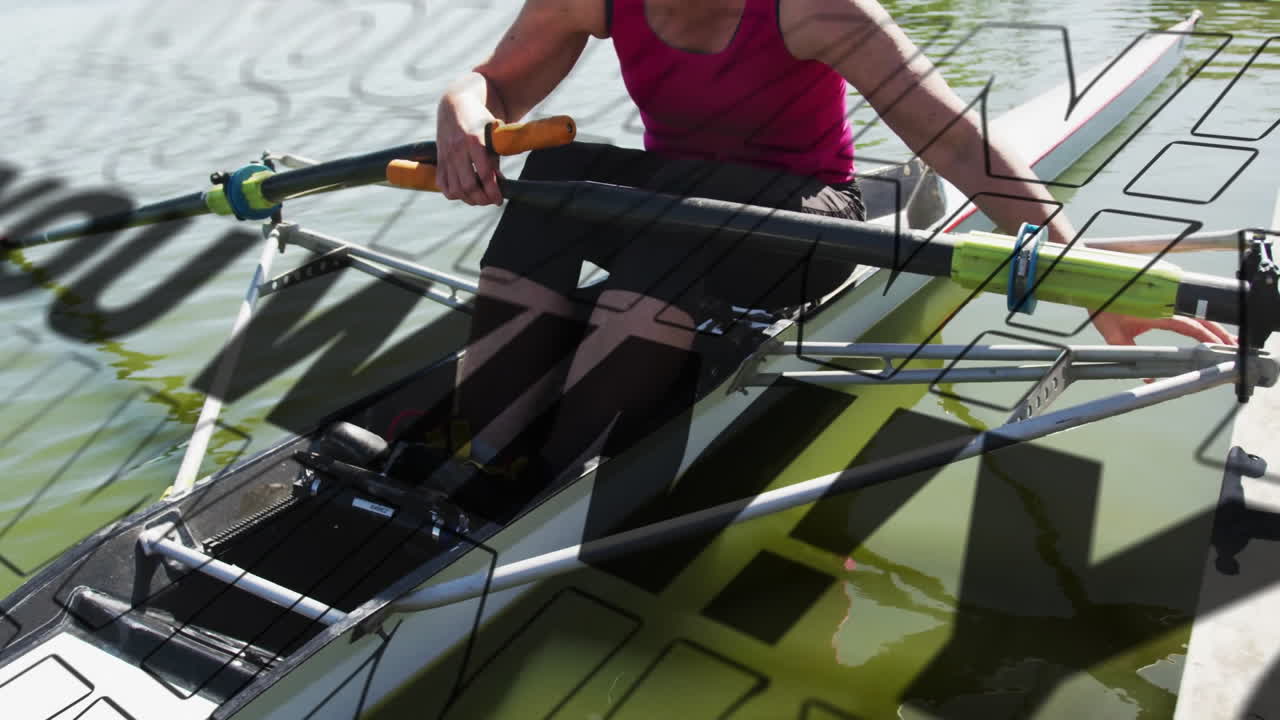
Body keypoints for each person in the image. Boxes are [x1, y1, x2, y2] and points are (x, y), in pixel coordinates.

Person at [420, 0, 1234, 514]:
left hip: (810, 222)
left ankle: (541, 495)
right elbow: (494, 85)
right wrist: (460, 108)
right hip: (683, 206)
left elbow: (955, 141)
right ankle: (479, 445)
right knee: (560, 172)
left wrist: (1081, 276)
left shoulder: (822, 10)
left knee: (681, 222)